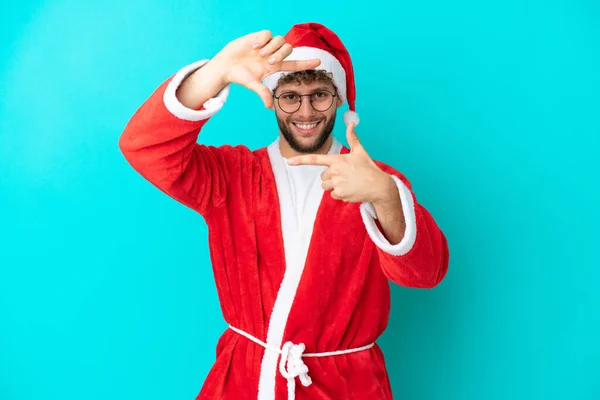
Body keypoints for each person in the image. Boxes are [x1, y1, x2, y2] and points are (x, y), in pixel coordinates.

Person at [119, 22, 449, 400]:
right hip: (246, 382)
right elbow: (143, 147)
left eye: (320, 95)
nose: (305, 111)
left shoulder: (375, 180)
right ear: (272, 98)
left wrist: (386, 196)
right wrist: (214, 73)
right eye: (290, 96)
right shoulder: (231, 176)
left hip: (347, 388)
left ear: (338, 98)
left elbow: (426, 273)